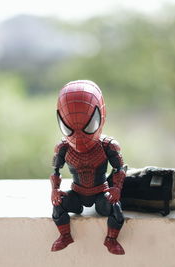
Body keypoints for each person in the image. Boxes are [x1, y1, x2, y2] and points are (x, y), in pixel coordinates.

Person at [50, 80, 126, 255]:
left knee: (115, 207)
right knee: (57, 203)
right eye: (70, 128)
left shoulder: (107, 145)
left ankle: (111, 239)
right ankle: (65, 235)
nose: (78, 137)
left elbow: (119, 169)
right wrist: (54, 190)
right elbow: (55, 172)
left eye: (87, 127)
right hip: (77, 193)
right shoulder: (63, 148)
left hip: (101, 192)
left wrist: (117, 189)